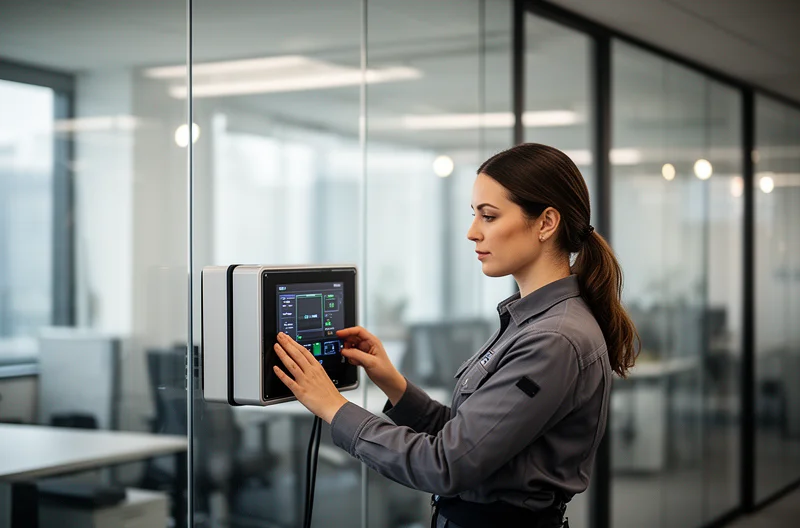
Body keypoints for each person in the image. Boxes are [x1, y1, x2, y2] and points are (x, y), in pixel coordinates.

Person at [271, 143, 640, 528]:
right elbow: (468, 436)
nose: (472, 232)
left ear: (546, 223)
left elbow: (445, 465)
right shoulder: (532, 321)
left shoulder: (553, 339)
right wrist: (393, 383)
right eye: (474, 215)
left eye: (489, 216)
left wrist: (333, 407)